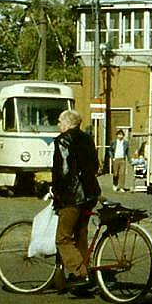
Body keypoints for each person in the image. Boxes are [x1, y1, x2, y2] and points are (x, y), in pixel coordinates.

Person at [52, 109, 101, 291]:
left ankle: (81, 273)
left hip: (73, 196)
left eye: (59, 121)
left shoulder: (63, 140)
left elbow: (63, 171)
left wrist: (55, 190)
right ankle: (83, 271)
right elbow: (95, 165)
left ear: (67, 124)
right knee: (81, 235)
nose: (58, 125)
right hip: (90, 194)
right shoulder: (87, 139)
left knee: (63, 238)